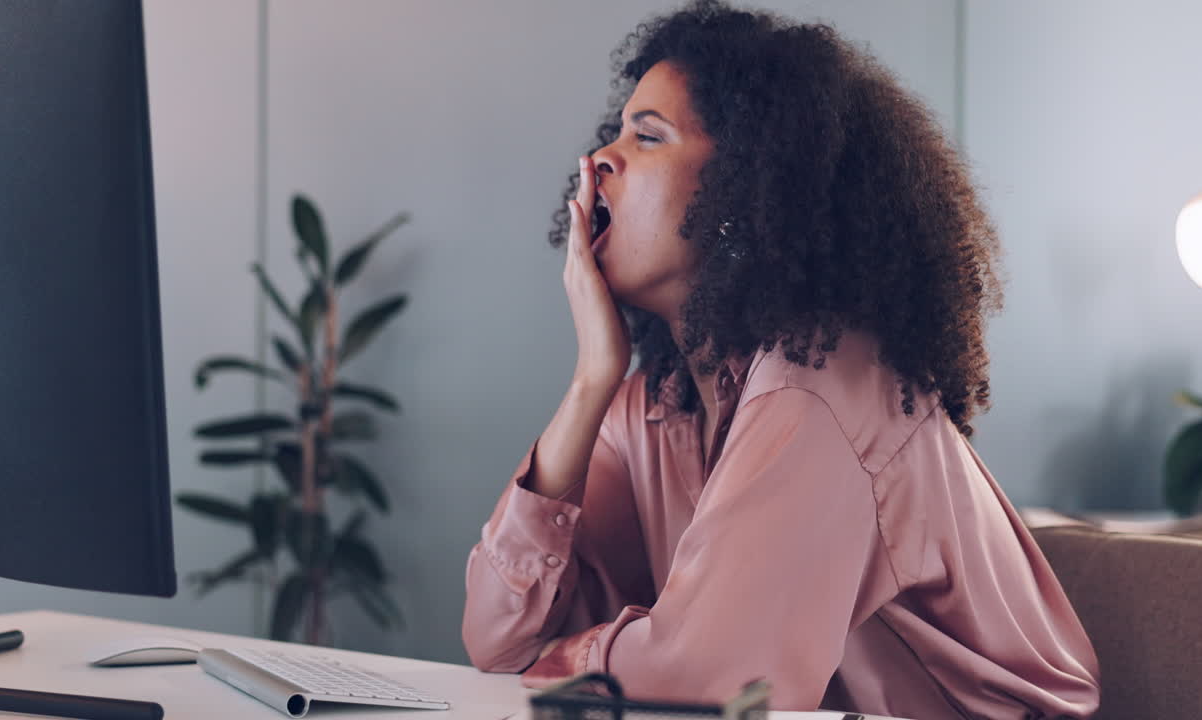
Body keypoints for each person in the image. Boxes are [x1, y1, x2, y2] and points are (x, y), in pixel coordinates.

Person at [461, 1, 1101, 717]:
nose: (599, 159)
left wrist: (587, 657)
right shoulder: (653, 404)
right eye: (615, 133)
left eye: (647, 136)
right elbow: (496, 637)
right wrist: (590, 383)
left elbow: (710, 684)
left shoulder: (826, 386)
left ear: (743, 190)